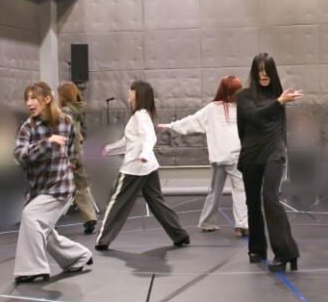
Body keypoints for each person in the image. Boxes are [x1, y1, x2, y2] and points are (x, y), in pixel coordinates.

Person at [13, 82, 93, 283]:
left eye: (33, 98)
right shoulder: (27, 127)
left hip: (61, 187)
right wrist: (46, 143)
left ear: (47, 99)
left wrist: (71, 163)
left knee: (30, 216)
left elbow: (74, 147)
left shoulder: (66, 121)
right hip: (39, 189)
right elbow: (20, 154)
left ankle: (33, 268)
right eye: (27, 99)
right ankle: (79, 256)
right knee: (43, 229)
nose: (29, 103)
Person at [96, 80, 189, 250]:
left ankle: (102, 240)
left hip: (135, 167)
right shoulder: (140, 115)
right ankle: (180, 235)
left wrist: (144, 154)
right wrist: (108, 149)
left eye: (132, 90)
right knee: (157, 202)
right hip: (148, 167)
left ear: (139, 94)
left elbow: (149, 137)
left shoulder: (140, 115)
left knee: (117, 201)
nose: (129, 92)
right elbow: (129, 142)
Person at [237, 53, 303, 272]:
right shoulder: (244, 96)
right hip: (251, 154)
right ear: (254, 72)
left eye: (267, 70)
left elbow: (280, 128)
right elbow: (252, 118)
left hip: (274, 152)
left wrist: (282, 149)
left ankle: (286, 252)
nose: (263, 74)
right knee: (252, 203)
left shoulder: (278, 97)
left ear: (273, 72)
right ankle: (256, 249)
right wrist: (279, 102)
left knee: (270, 198)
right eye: (259, 70)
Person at [159, 75, 248, 236]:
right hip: (235, 156)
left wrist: (172, 126)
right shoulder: (242, 108)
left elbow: (192, 121)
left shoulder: (213, 108)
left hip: (219, 157)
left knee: (215, 191)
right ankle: (241, 225)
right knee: (240, 190)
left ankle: (207, 223)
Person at [58, 82, 99, 235]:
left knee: (57, 189)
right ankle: (90, 218)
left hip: (71, 156)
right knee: (81, 188)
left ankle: (50, 220)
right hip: (78, 154)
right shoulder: (76, 111)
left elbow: (72, 137)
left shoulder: (65, 113)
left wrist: (72, 160)